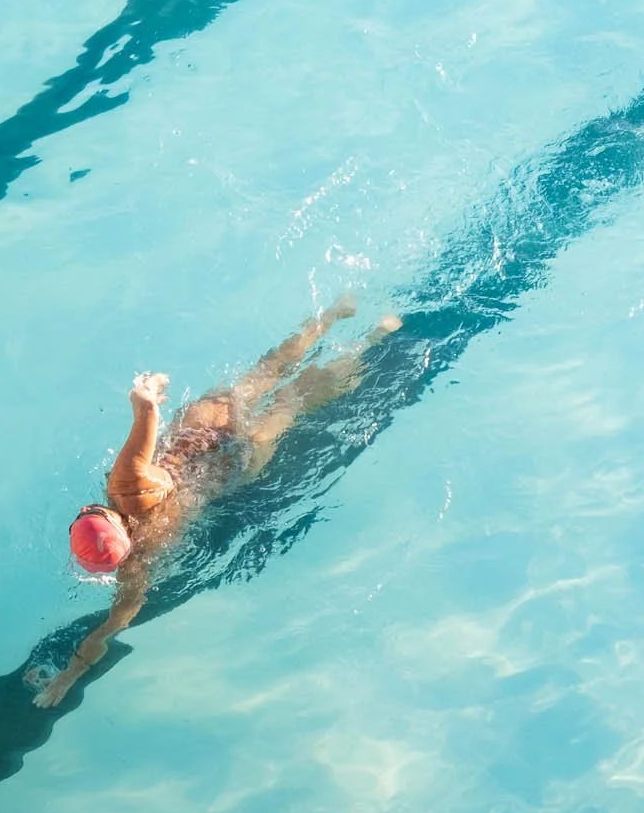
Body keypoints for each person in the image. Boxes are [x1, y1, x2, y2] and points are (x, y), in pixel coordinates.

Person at [35, 296, 401, 709]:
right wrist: (147, 394)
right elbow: (145, 420)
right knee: (265, 374)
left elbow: (110, 627)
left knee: (294, 401)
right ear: (96, 513)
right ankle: (333, 315)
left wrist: (68, 677)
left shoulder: (138, 565)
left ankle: (376, 336)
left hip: (235, 464)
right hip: (200, 432)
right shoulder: (125, 488)